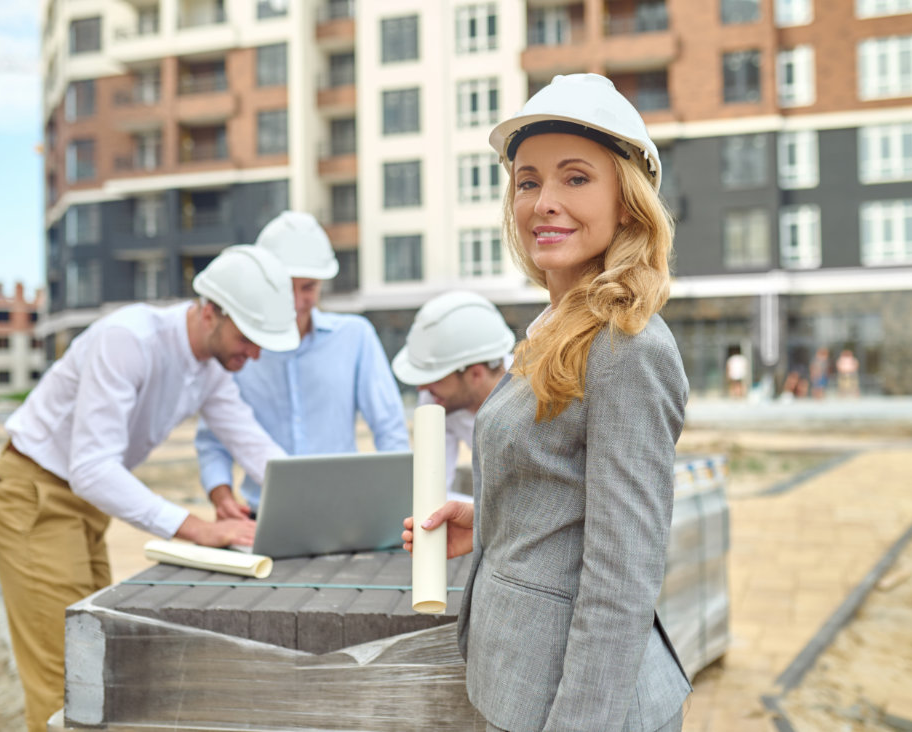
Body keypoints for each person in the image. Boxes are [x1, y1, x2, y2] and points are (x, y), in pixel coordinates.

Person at [403, 73, 691, 731]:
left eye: (576, 178)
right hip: (524, 681)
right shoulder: (557, 326)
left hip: (574, 704)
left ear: (627, 201)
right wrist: (494, 519)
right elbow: (571, 486)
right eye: (528, 181)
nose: (544, 202)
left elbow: (622, 578)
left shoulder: (627, 347)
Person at [0, 245, 299, 732]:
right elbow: (91, 467)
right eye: (249, 337)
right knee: (64, 676)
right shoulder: (128, 339)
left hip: (80, 506)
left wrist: (312, 506)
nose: (254, 354)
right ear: (210, 310)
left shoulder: (210, 368)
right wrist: (195, 528)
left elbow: (255, 445)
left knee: (97, 655)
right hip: (31, 496)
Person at [195, 211, 409, 518]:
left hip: (344, 513)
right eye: (285, 287)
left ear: (322, 283)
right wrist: (222, 496)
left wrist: (398, 500)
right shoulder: (235, 349)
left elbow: (390, 430)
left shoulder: (355, 337)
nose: (296, 301)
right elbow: (214, 438)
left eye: (307, 287)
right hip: (261, 513)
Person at [391, 291, 516, 499]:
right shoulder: (436, 398)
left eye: (435, 378)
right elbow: (431, 488)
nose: (422, 388)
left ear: (475, 374)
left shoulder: (533, 396)